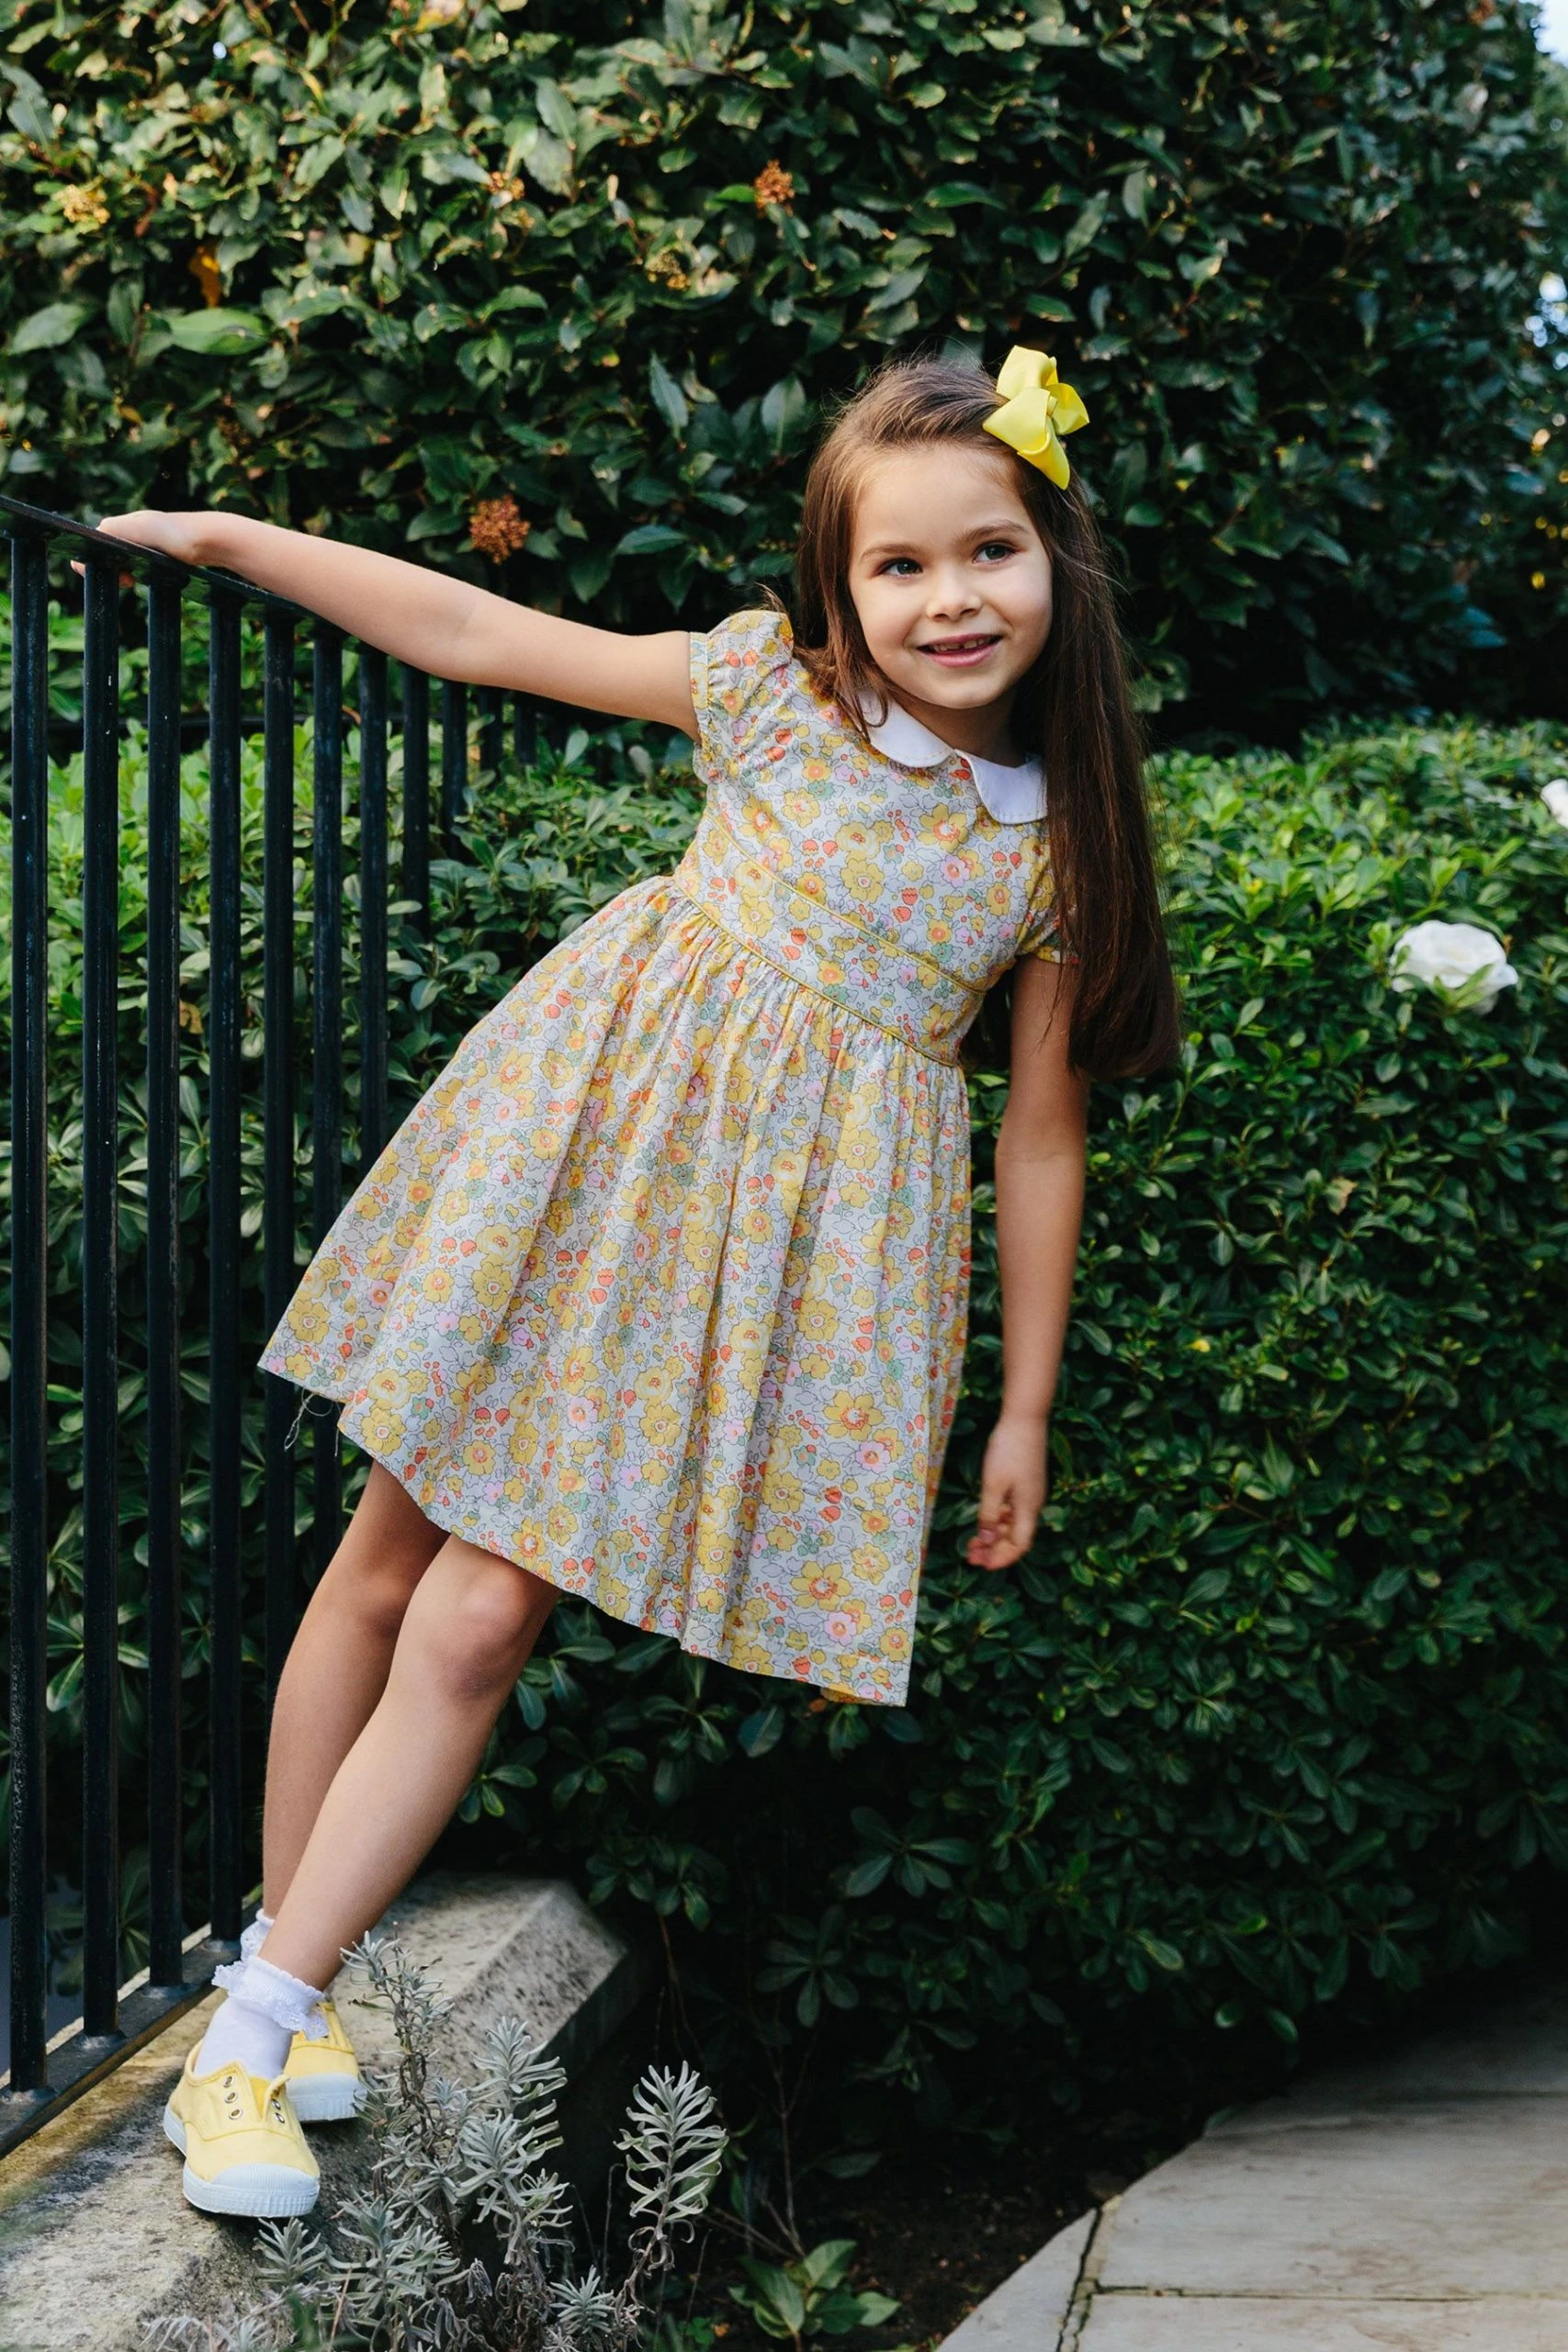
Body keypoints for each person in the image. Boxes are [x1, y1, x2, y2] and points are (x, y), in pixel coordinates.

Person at [96, 347, 1178, 2219]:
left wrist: (1019, 1404)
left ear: (1054, 559)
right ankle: (276, 2003)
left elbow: (1039, 1135)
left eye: (986, 552)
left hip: (737, 1275)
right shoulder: (771, 699)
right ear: (838, 588)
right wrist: (229, 536)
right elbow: (476, 632)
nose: (948, 599)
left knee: (480, 1610)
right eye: (898, 566)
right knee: (388, 1565)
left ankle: (254, 2020)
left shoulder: (1054, 844)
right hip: (580, 1171)